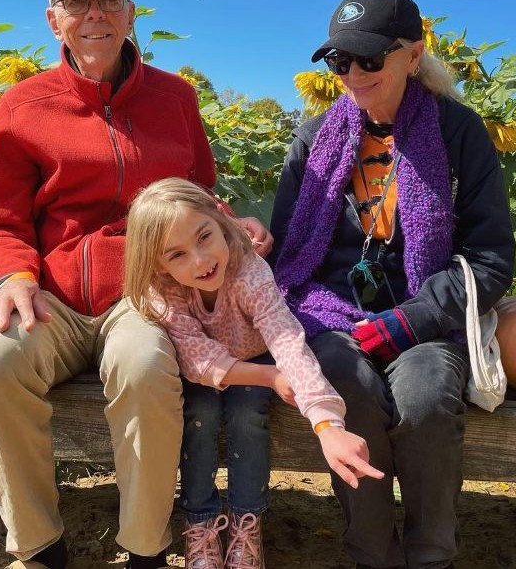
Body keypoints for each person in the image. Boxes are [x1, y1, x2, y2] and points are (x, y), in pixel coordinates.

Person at [0, 0, 272, 569]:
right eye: (77, 1)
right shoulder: (21, 107)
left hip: (146, 295)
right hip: (50, 297)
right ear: (54, 20)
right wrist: (11, 279)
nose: (94, 13)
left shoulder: (175, 100)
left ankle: (144, 548)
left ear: (132, 13)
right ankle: (40, 545)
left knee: (144, 366)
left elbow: (200, 198)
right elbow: (0, 223)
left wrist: (229, 224)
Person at [269, 0, 515, 569]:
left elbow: (490, 259)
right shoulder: (312, 139)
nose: (353, 73)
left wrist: (409, 322)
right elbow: (286, 256)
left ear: (413, 54)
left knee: (427, 398)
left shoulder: (459, 134)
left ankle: (431, 554)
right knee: (345, 386)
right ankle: (371, 555)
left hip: (428, 318)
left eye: (370, 58)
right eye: (340, 61)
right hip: (329, 316)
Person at [124, 178, 384, 569]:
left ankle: (247, 523)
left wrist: (327, 424)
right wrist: (270, 379)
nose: (201, 260)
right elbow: (196, 360)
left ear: (221, 219)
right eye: (176, 255)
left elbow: (286, 340)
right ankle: (202, 523)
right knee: (199, 416)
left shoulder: (251, 272)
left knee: (248, 415)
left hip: (259, 358)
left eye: (205, 237)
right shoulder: (164, 291)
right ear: (158, 265)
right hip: (216, 373)